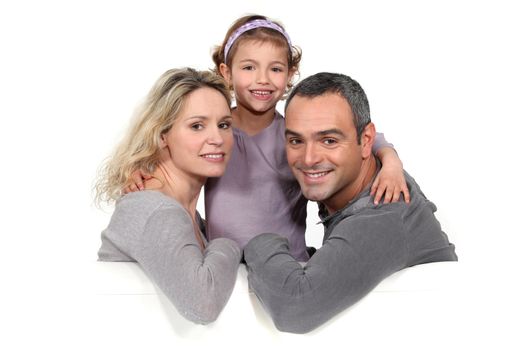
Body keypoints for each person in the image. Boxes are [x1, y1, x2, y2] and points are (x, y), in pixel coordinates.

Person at [126, 15, 408, 261]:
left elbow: (364, 135)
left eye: (275, 69)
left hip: (288, 266)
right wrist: (144, 171)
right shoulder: (215, 137)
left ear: (289, 75)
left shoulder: (295, 137)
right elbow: (175, 156)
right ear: (227, 72)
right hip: (224, 267)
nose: (263, 79)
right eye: (249, 68)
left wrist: (391, 162)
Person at [243, 72, 458, 334]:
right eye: (296, 140)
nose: (309, 158)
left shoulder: (382, 212)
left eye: (329, 140)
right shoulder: (370, 178)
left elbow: (295, 308)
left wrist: (253, 240)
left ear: (366, 141)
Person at [95, 68, 241, 324]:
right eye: (197, 126)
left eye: (224, 125)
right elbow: (203, 305)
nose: (217, 138)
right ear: (163, 136)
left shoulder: (187, 214)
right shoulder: (157, 211)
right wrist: (230, 242)